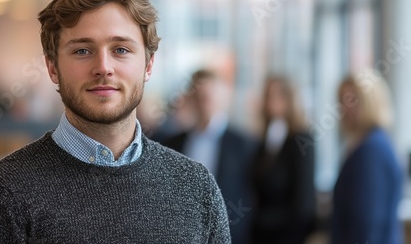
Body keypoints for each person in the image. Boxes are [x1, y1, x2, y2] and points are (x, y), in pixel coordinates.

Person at [0, 0, 231, 243]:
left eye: (121, 49)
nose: (103, 67)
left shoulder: (196, 188)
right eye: (82, 50)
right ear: (52, 67)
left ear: (148, 65)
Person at [163, 69, 257, 244]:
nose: (204, 103)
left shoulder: (244, 144)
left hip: (232, 235)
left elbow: (252, 194)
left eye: (209, 97)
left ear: (224, 98)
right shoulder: (173, 144)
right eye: (199, 97)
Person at [331, 72, 403, 244]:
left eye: (353, 99)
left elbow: (369, 220)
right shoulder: (369, 143)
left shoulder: (372, 150)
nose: (346, 107)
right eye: (343, 100)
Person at [250, 76, 316, 244]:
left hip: (287, 236)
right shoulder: (265, 139)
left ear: (290, 99)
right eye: (268, 95)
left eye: (278, 95)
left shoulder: (302, 140)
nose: (271, 101)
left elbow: (303, 203)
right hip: (261, 235)